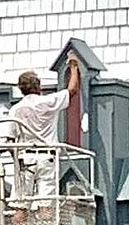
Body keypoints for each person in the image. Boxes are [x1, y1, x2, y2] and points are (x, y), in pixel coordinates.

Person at [8, 53, 79, 198]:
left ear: (21, 89)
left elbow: (10, 140)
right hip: (47, 157)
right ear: (38, 86)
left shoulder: (15, 109)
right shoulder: (48, 102)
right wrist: (74, 66)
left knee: (20, 203)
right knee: (46, 202)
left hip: (25, 158)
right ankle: (46, 221)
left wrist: (17, 162)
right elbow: (72, 90)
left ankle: (19, 222)